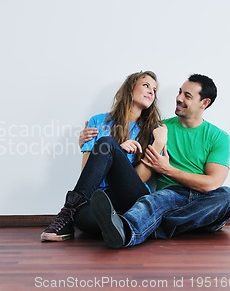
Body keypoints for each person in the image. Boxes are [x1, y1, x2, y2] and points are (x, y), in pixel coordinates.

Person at [90, 74, 230, 249]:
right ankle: (127, 232)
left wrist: (167, 170)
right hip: (170, 195)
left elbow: (211, 184)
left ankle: (153, 227)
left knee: (227, 196)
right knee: (153, 201)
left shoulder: (218, 137)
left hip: (204, 200)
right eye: (180, 92)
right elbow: (130, 172)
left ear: (204, 103)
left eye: (187, 96)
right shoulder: (159, 128)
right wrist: (91, 141)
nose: (179, 98)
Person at [41, 70, 165, 241]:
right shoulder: (97, 122)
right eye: (146, 85)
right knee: (83, 217)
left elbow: (140, 177)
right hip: (100, 197)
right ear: (130, 89)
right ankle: (120, 224)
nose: (152, 91)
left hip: (132, 196)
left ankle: (66, 214)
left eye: (154, 89)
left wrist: (116, 152)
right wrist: (110, 149)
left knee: (107, 143)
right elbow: (87, 174)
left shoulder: (154, 130)